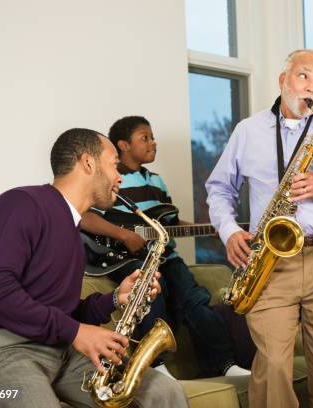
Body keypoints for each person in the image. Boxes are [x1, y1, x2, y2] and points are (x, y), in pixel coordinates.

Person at [0, 128, 188, 407]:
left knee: (165, 393)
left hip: (58, 350)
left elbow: (59, 312)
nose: (120, 177)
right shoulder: (20, 203)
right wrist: (76, 332)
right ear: (88, 163)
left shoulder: (74, 227)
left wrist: (115, 299)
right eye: (114, 164)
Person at [206, 49, 313, 408]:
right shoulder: (248, 131)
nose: (312, 88)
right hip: (270, 259)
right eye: (304, 77)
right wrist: (229, 231)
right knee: (271, 368)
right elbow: (219, 188)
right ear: (283, 80)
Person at [80, 116, 250, 378]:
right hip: (127, 259)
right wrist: (122, 235)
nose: (152, 142)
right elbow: (86, 217)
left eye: (152, 137)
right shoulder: (111, 181)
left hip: (165, 256)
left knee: (196, 299)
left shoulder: (156, 181)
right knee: (154, 294)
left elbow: (169, 222)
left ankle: (224, 364)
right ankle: (157, 366)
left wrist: (213, 229)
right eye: (144, 138)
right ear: (123, 145)